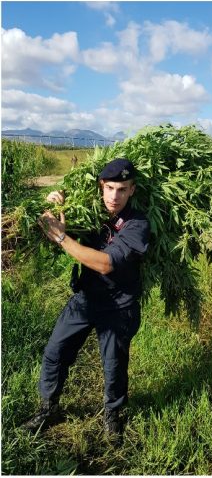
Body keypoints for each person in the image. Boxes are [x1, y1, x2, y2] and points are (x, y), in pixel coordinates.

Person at [23, 158, 150, 440]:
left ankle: (112, 415)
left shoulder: (137, 224)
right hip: (86, 297)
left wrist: (61, 239)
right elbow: (55, 228)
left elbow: (106, 263)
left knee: (114, 365)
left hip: (119, 304)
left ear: (132, 191)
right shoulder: (90, 209)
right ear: (101, 186)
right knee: (55, 352)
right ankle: (48, 408)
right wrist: (54, 205)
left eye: (122, 189)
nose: (114, 197)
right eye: (110, 188)